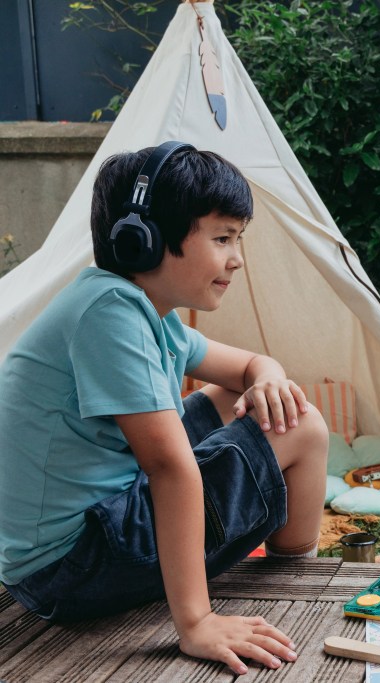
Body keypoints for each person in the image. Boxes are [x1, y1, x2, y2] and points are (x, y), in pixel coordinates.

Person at [0, 142, 329, 675]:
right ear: (143, 241)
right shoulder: (111, 315)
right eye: (222, 238)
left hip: (76, 546)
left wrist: (267, 378)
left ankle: (282, 566)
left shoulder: (143, 312)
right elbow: (168, 468)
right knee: (303, 425)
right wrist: (195, 622)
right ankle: (295, 578)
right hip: (70, 568)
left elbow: (249, 365)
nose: (236, 257)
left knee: (256, 400)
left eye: (237, 239)